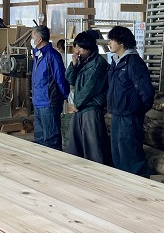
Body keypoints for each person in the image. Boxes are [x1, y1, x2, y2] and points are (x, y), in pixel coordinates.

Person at [106, 25, 154, 176]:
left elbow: (147, 92)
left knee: (131, 156)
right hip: (117, 114)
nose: (109, 43)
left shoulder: (133, 62)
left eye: (112, 40)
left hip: (129, 117)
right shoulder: (115, 62)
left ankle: (139, 186)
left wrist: (135, 110)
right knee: (118, 155)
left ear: (121, 42)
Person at [65, 31, 110, 165]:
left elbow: (90, 88)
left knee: (93, 146)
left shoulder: (98, 63)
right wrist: (73, 65)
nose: (78, 51)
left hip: (91, 107)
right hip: (80, 107)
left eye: (81, 48)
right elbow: (70, 79)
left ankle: (96, 171)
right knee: (76, 145)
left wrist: (76, 104)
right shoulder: (83, 61)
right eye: (77, 47)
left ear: (89, 48)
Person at [30, 25, 69, 150]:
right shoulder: (38, 55)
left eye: (33, 37)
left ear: (40, 39)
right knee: (39, 139)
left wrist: (65, 96)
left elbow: (60, 78)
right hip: (38, 102)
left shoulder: (52, 56)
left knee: (51, 140)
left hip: (49, 103)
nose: (31, 40)